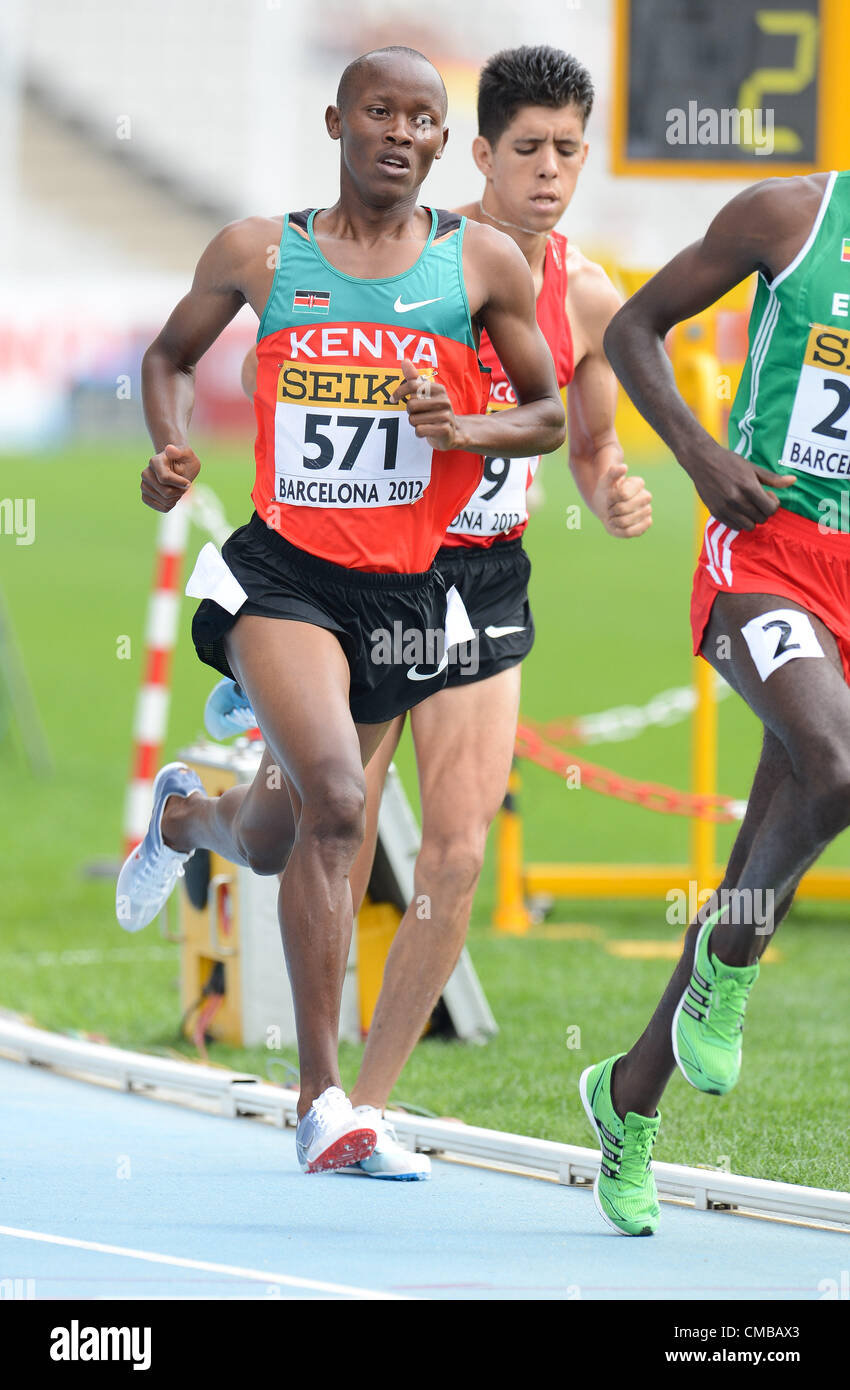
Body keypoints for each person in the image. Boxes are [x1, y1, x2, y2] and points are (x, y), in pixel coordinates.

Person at [115, 45, 565, 1176]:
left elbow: (546, 415)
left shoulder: (481, 268)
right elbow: (167, 356)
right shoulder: (262, 253)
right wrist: (167, 445)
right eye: (381, 112)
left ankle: (185, 817)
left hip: (403, 595)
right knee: (331, 806)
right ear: (337, 121)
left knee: (269, 839)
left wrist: (461, 431)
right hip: (283, 574)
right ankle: (326, 1104)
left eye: (424, 118)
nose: (403, 134)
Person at [206, 46, 653, 1179]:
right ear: (482, 156)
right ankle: (201, 799)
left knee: (453, 850)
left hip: (487, 578)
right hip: (375, 569)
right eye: (530, 151)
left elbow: (587, 438)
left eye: (569, 150)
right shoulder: (425, 250)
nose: (551, 173)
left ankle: (358, 1104)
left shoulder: (586, 294)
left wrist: (610, 489)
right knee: (295, 832)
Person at [582, 169, 850, 1234]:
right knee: (834, 763)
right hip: (765, 558)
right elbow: (633, 331)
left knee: (763, 856)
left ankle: (625, 1101)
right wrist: (699, 456)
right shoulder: (792, 216)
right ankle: (727, 967)